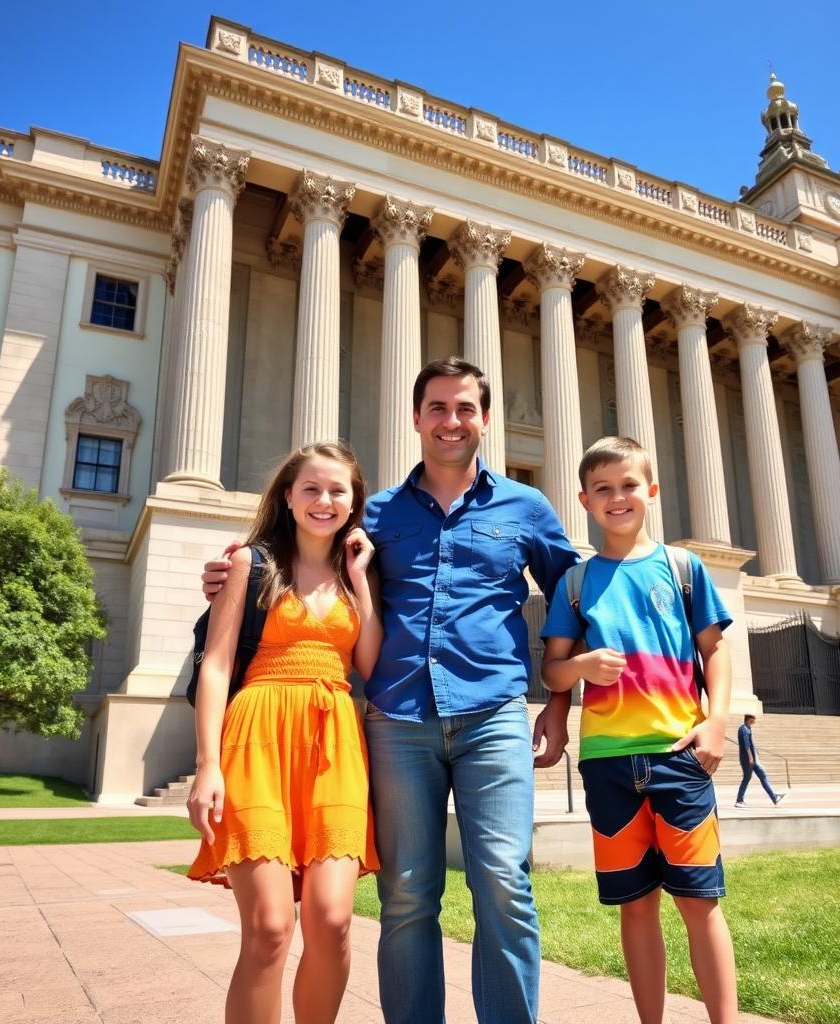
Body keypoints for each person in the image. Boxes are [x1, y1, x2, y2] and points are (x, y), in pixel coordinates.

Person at [203, 357, 578, 1024]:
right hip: (398, 720)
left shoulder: (528, 507)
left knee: (504, 886)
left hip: (492, 711)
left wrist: (559, 697)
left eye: (465, 408)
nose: (452, 420)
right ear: (416, 418)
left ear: (485, 419)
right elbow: (302, 559)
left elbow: (572, 594)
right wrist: (232, 571)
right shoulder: (372, 514)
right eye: (437, 407)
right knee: (407, 895)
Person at [541, 435, 740, 1024]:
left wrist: (716, 722)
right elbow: (552, 669)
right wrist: (579, 667)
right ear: (584, 500)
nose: (617, 497)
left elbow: (716, 652)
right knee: (635, 908)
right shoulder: (575, 584)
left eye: (628, 485)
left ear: (651, 491)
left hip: (678, 756)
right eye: (602, 488)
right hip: (606, 764)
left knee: (701, 902)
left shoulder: (683, 568)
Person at [186, 441, 381, 1024]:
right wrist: (206, 765)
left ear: (353, 501)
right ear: (289, 497)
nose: (324, 500)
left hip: (336, 743)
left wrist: (362, 581)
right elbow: (216, 666)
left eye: (337, 490)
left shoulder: (357, 575)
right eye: (312, 489)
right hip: (256, 740)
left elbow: (369, 666)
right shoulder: (250, 563)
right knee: (270, 928)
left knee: (332, 921)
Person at [735, 713, 787, 808]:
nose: (755, 720)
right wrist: (750, 757)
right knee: (746, 779)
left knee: (762, 775)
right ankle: (739, 800)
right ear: (749, 719)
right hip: (747, 760)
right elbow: (746, 745)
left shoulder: (748, 728)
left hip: (752, 760)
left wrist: (755, 753)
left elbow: (750, 744)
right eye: (753, 718)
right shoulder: (743, 729)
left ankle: (774, 797)